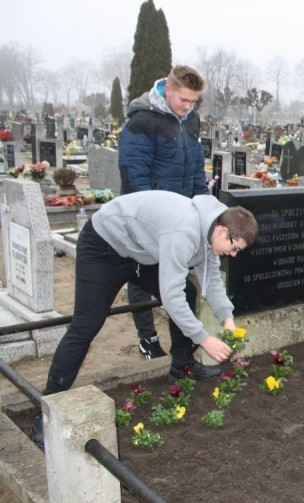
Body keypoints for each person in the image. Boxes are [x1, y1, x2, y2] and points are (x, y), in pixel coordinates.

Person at [30, 191, 258, 448]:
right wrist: (204, 339)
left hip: (142, 252)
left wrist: (227, 319)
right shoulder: (184, 233)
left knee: (188, 291)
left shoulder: (212, 231)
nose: (234, 254)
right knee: (86, 325)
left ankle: (182, 367)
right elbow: (171, 300)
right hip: (105, 246)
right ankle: (46, 411)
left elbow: (213, 282)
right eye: (234, 247)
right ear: (222, 231)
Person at [118, 65, 210, 360]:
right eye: (184, 100)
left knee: (180, 286)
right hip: (149, 218)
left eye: (193, 101)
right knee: (142, 277)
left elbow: (196, 170)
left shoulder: (190, 120)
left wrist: (205, 210)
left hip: (180, 216)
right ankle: (148, 338)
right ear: (167, 89)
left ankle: (182, 355)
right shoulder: (143, 121)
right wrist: (148, 222)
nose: (188, 107)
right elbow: (134, 176)